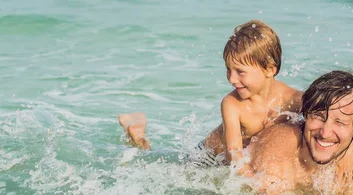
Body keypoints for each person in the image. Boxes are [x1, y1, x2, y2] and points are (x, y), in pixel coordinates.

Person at [119, 20, 302, 167]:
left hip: (229, 160)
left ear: (269, 69)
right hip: (206, 157)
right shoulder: (232, 104)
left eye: (240, 72)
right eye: (228, 70)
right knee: (159, 164)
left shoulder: (295, 100)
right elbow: (233, 153)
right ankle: (137, 135)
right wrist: (250, 179)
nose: (231, 79)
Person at [244, 70, 353, 195]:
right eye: (318, 116)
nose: (325, 133)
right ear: (305, 114)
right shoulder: (279, 148)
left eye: (340, 122)